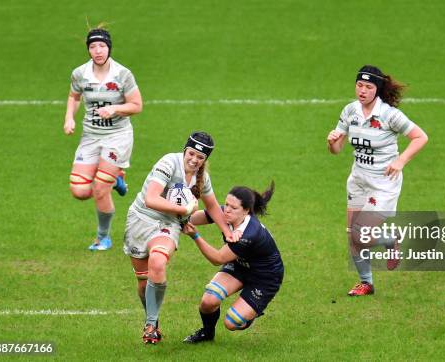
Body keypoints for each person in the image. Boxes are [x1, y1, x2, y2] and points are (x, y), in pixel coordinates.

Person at [123, 131, 234, 344]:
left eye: (200, 158)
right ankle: (152, 320)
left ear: (205, 160)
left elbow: (212, 206)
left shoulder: (203, 178)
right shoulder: (168, 162)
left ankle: (150, 325)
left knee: (158, 260)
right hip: (140, 219)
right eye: (191, 154)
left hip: (168, 224)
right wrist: (184, 208)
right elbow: (150, 199)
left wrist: (228, 233)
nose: (194, 160)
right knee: (143, 280)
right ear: (185, 150)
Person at [326, 65, 428, 296]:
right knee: (352, 234)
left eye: (368, 87)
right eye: (359, 85)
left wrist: (401, 161)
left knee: (359, 234)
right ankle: (366, 283)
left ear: (378, 90)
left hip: (383, 184)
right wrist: (332, 142)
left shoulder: (389, 115)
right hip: (358, 180)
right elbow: (337, 149)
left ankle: (392, 240)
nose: (362, 90)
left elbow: (420, 137)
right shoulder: (350, 110)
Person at [63, 26, 143, 251]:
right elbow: (74, 96)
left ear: (109, 48)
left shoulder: (122, 74)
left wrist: (115, 109)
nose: (98, 51)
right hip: (90, 136)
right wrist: (69, 118)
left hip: (118, 137)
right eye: (93, 46)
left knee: (100, 188)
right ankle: (117, 177)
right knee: (79, 191)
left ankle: (103, 237)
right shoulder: (80, 73)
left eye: (102, 46)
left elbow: (137, 105)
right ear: (88, 50)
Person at [181, 182, 284, 344]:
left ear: (246, 210)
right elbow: (190, 218)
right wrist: (176, 215)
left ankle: (252, 311)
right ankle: (207, 334)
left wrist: (195, 236)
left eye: (233, 207)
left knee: (232, 322)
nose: (227, 210)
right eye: (226, 204)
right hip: (240, 265)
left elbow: (218, 259)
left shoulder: (249, 234)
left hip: (265, 277)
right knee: (208, 301)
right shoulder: (227, 213)